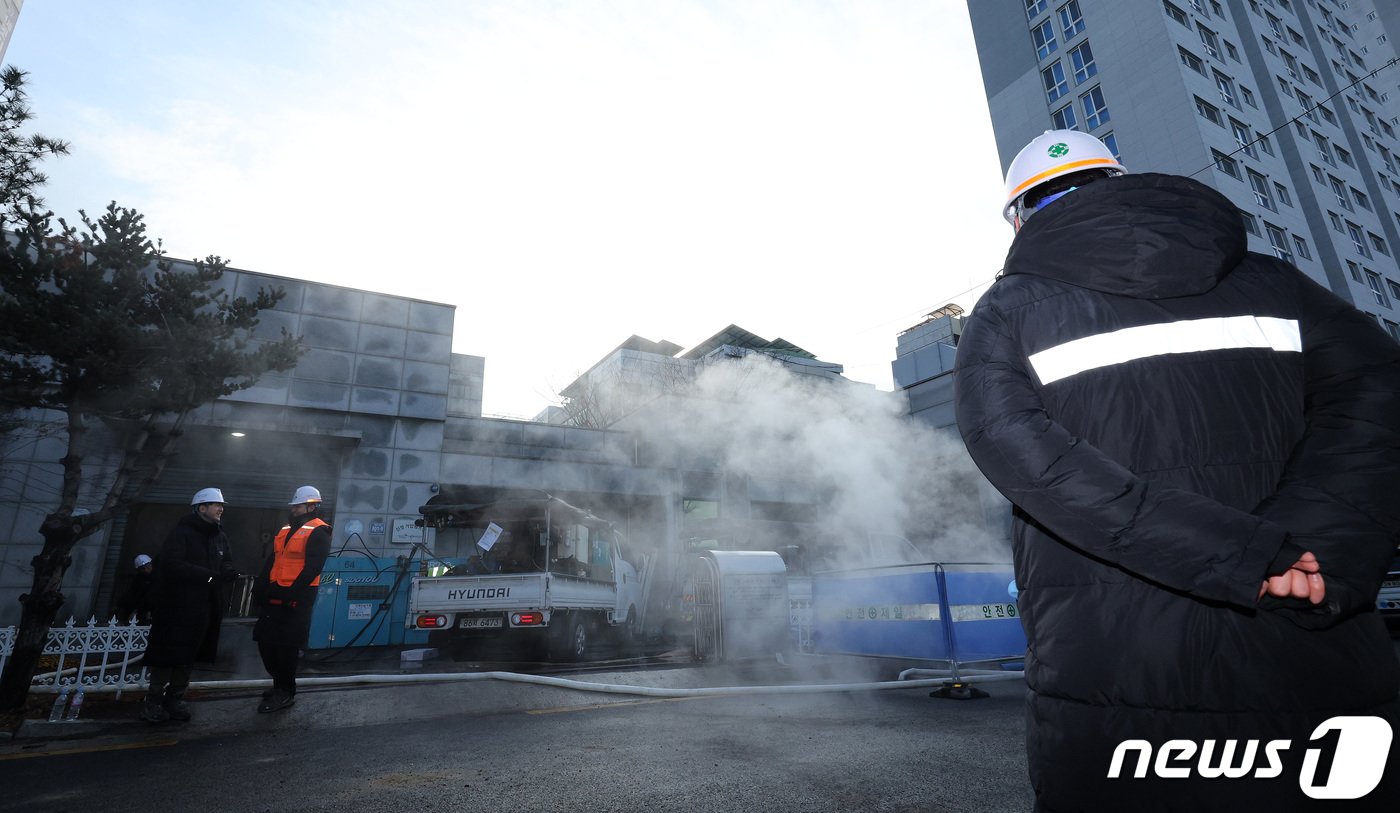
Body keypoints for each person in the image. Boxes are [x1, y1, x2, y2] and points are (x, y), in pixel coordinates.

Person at [953, 129, 1400, 810]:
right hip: (1316, 664)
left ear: (1019, 218)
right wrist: (1314, 549)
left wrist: (1246, 557)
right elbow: (1378, 394)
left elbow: (1030, 462)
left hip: (1117, 681)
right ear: (1120, 181)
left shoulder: (1006, 314)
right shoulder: (1275, 281)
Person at [141, 488, 238, 723]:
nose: (221, 508)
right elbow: (172, 565)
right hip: (177, 606)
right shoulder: (182, 533)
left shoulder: (219, 536)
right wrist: (208, 577)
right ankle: (153, 701)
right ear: (201, 508)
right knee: (167, 654)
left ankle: (176, 698)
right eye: (216, 504)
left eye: (221, 505)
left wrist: (227, 571)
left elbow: (225, 560)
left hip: (203, 607)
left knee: (188, 654)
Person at [251, 485, 331, 713]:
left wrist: (293, 593)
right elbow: (273, 561)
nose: (294, 509)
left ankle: (285, 691)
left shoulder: (319, 531)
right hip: (275, 593)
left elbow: (313, 567)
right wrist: (260, 587)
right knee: (266, 641)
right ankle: (279, 684)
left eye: (298, 505)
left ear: (312, 506)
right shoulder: (286, 529)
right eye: (294, 505)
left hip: (297, 598)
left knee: (286, 646)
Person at [113, 553, 156, 624]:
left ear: (151, 563)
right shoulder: (138, 579)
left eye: (147, 566)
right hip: (142, 609)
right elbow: (132, 593)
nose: (145, 569)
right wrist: (119, 604)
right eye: (142, 568)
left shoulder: (158, 576)